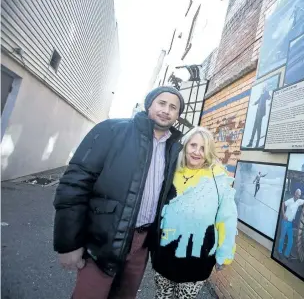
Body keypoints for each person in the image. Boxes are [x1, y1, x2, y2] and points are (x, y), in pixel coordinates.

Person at [53, 86, 185, 299]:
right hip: (103, 240)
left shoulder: (174, 149)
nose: (166, 110)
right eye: (162, 103)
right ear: (149, 104)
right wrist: (68, 243)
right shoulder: (113, 130)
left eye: (173, 107)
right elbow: (75, 184)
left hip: (141, 246)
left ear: (177, 115)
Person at [146, 126, 237, 299]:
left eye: (203, 148)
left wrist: (224, 254)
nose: (197, 152)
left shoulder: (218, 178)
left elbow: (227, 218)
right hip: (164, 255)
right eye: (193, 145)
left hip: (197, 259)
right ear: (185, 146)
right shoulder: (170, 171)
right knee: (162, 296)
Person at [278, 189, 304, 259]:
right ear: (295, 193)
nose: (298, 196)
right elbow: (282, 204)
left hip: (290, 223)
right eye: (297, 194)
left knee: (290, 240)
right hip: (285, 222)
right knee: (282, 237)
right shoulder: (290, 201)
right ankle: (279, 252)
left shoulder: (299, 201)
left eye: (299, 195)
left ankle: (286, 254)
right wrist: (283, 214)